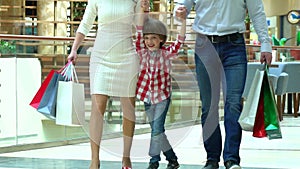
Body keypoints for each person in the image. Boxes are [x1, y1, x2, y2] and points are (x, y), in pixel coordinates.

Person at [174, 1, 272, 169]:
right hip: (205, 45)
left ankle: (232, 159)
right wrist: (180, 12)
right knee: (208, 106)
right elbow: (182, 5)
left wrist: (266, 44)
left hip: (234, 46)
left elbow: (257, 13)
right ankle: (212, 159)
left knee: (233, 103)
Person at [67, 1, 143, 169]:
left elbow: (139, 26)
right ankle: (94, 160)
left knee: (128, 107)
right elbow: (85, 24)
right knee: (97, 107)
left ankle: (126, 158)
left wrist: (143, 9)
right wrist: (74, 49)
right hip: (101, 56)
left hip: (127, 55)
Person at [135, 1, 186, 169]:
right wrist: (143, 11)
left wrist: (183, 21)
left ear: (161, 39)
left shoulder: (166, 54)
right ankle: (172, 159)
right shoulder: (141, 52)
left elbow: (180, 40)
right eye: (147, 38)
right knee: (158, 132)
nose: (150, 41)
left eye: (154, 38)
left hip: (162, 98)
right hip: (147, 97)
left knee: (156, 130)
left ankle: (154, 162)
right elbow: (139, 30)